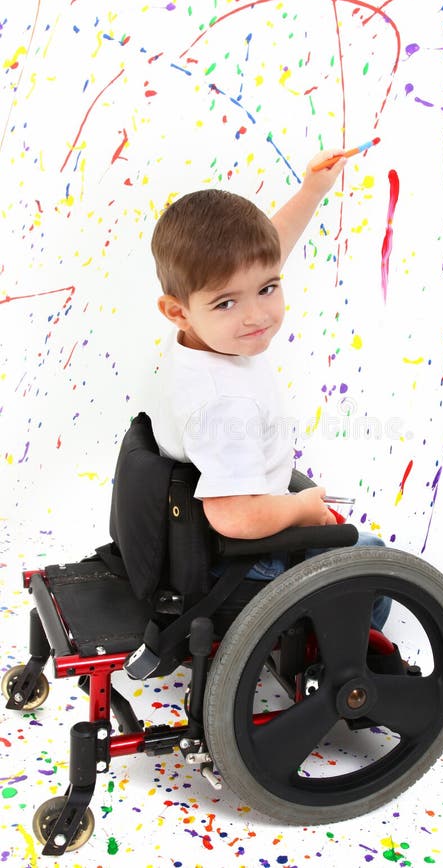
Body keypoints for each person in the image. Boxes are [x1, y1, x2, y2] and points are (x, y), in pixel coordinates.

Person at [150, 150, 390, 630]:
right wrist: (301, 508)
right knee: (372, 558)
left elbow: (259, 255)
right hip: (241, 563)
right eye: (226, 303)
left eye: (268, 288)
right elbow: (236, 518)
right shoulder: (223, 403)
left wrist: (311, 192)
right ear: (177, 310)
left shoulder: (197, 344)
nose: (257, 315)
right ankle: (345, 660)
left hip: (207, 532)